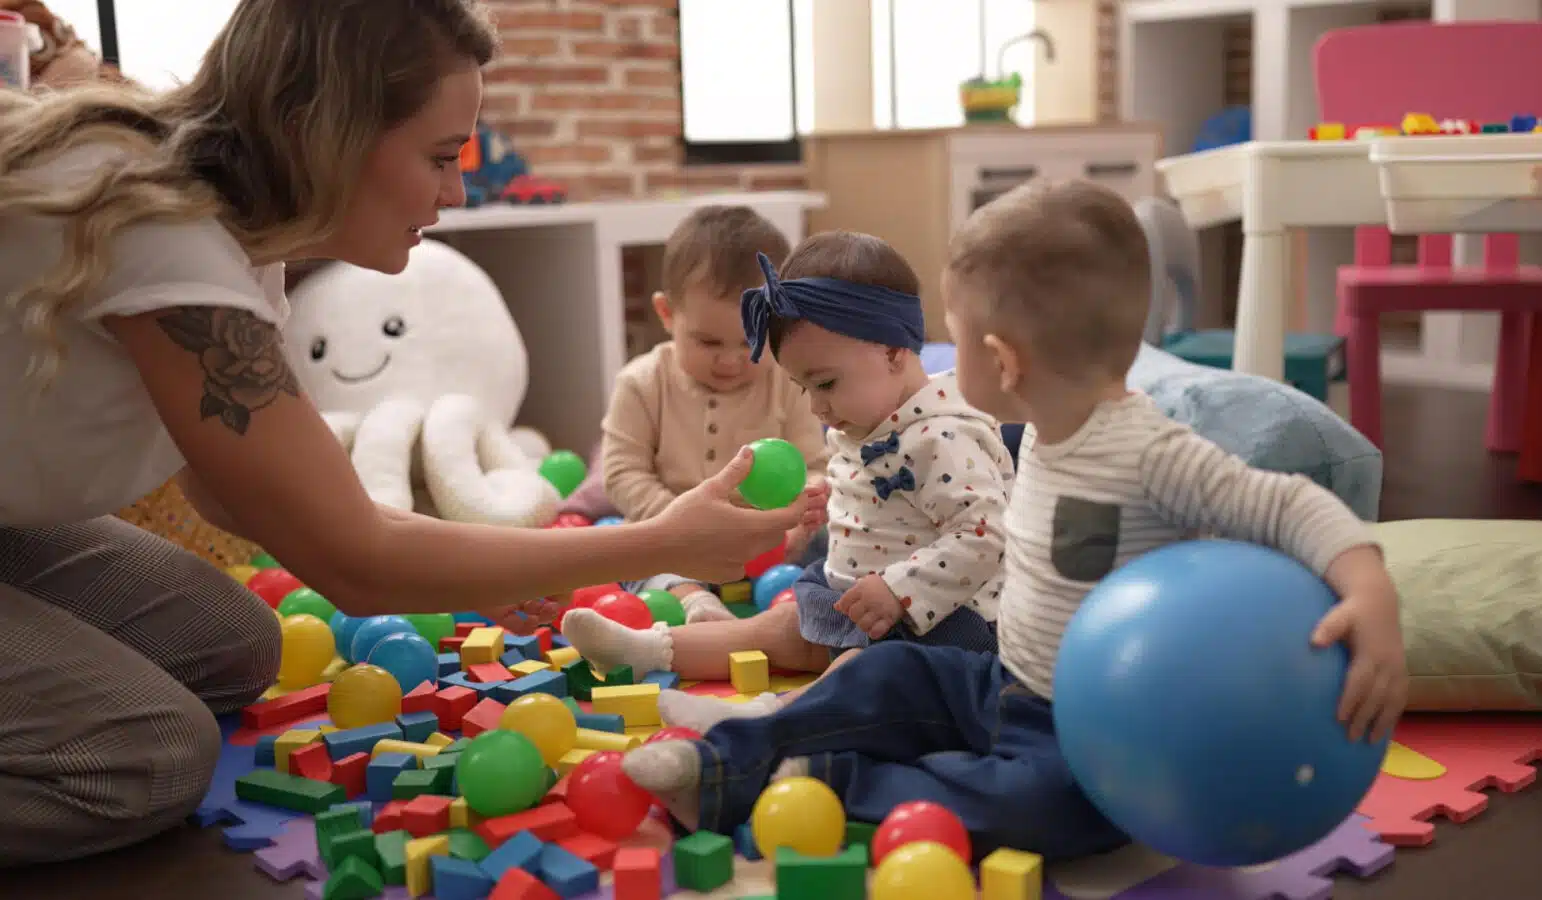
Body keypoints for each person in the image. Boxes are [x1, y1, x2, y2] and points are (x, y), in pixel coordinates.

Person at [0, 0, 821, 868]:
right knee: (149, 755)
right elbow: (356, 561)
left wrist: (483, 561)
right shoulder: (163, 231)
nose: (456, 190)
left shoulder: (245, 237)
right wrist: (659, 543)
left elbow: (242, 489)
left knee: (235, 644)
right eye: (438, 157)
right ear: (320, 132)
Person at [618, 180, 1409, 862]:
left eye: (951, 342)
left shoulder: (1149, 451)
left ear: (1001, 360)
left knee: (1054, 809)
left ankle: (831, 788)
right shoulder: (1038, 434)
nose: (936, 360)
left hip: (1088, 727)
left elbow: (1285, 501)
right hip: (1000, 679)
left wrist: (1368, 586)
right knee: (882, 673)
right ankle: (724, 760)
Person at [563, 231, 1012, 734]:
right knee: (777, 626)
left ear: (892, 352)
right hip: (857, 601)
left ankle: (766, 719)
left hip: (940, 623)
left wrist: (899, 590)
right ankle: (647, 650)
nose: (817, 408)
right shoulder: (869, 416)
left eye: (825, 384)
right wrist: (827, 501)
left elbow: (985, 535)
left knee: (869, 672)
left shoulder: (945, 435)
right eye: (804, 388)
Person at [588, 206, 829, 624]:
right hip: (672, 537)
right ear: (667, 314)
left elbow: (817, 468)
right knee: (628, 552)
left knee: (835, 540)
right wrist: (679, 523)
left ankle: (805, 607)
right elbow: (623, 474)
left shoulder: (788, 381)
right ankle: (695, 604)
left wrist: (796, 523)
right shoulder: (641, 383)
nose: (731, 360)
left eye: (750, 342)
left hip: (768, 542)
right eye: (708, 342)